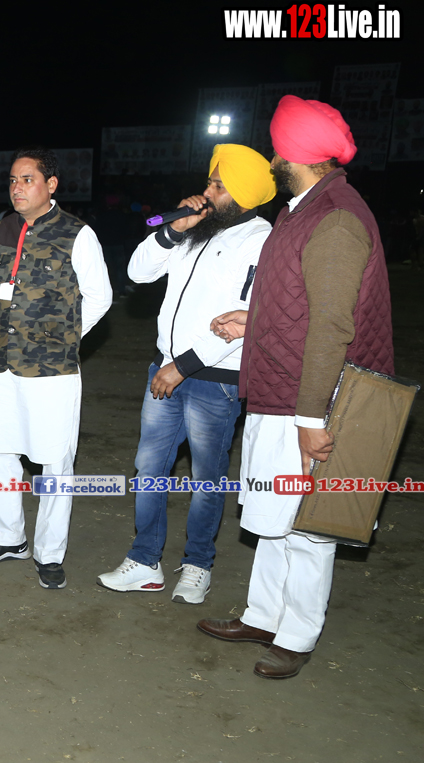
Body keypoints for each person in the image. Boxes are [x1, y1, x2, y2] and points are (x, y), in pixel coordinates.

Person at [199, 97, 394, 679]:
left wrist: (312, 419)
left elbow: (332, 326)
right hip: (280, 387)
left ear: (296, 154)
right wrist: (253, 319)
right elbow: (298, 300)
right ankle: (264, 616)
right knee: (271, 514)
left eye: (278, 148)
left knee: (308, 526)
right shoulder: (303, 209)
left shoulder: (335, 219)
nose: (273, 159)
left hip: (309, 400)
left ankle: (298, 633)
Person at [97, 144, 274, 603]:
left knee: (205, 479)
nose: (206, 191)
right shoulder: (195, 230)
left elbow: (243, 321)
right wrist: (172, 232)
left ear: (243, 195)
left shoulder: (260, 240)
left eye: (218, 185)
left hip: (215, 380)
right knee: (149, 469)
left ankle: (198, 565)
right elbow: (137, 272)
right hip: (166, 369)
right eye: (209, 181)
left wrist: (183, 366)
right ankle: (145, 561)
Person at [0, 148, 112, 589]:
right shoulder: (1, 229)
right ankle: (7, 538)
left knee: (54, 462)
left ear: (51, 185)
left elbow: (100, 296)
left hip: (52, 371)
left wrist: (65, 338)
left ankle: (49, 554)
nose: (17, 188)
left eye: (27, 179)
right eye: (13, 180)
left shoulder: (77, 233)